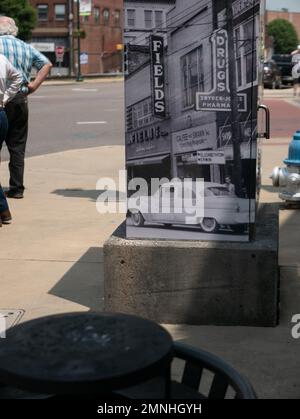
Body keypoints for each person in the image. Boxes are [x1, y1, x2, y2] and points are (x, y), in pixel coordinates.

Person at [0, 16, 52, 199]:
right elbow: (46, 64)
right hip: (20, 99)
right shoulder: (25, 46)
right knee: (17, 146)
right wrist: (33, 86)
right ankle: (16, 188)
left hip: (1, 98)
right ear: (13, 29)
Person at [0, 54, 23, 226]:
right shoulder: (1, 59)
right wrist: (5, 97)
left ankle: (3, 210)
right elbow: (18, 77)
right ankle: (3, 211)